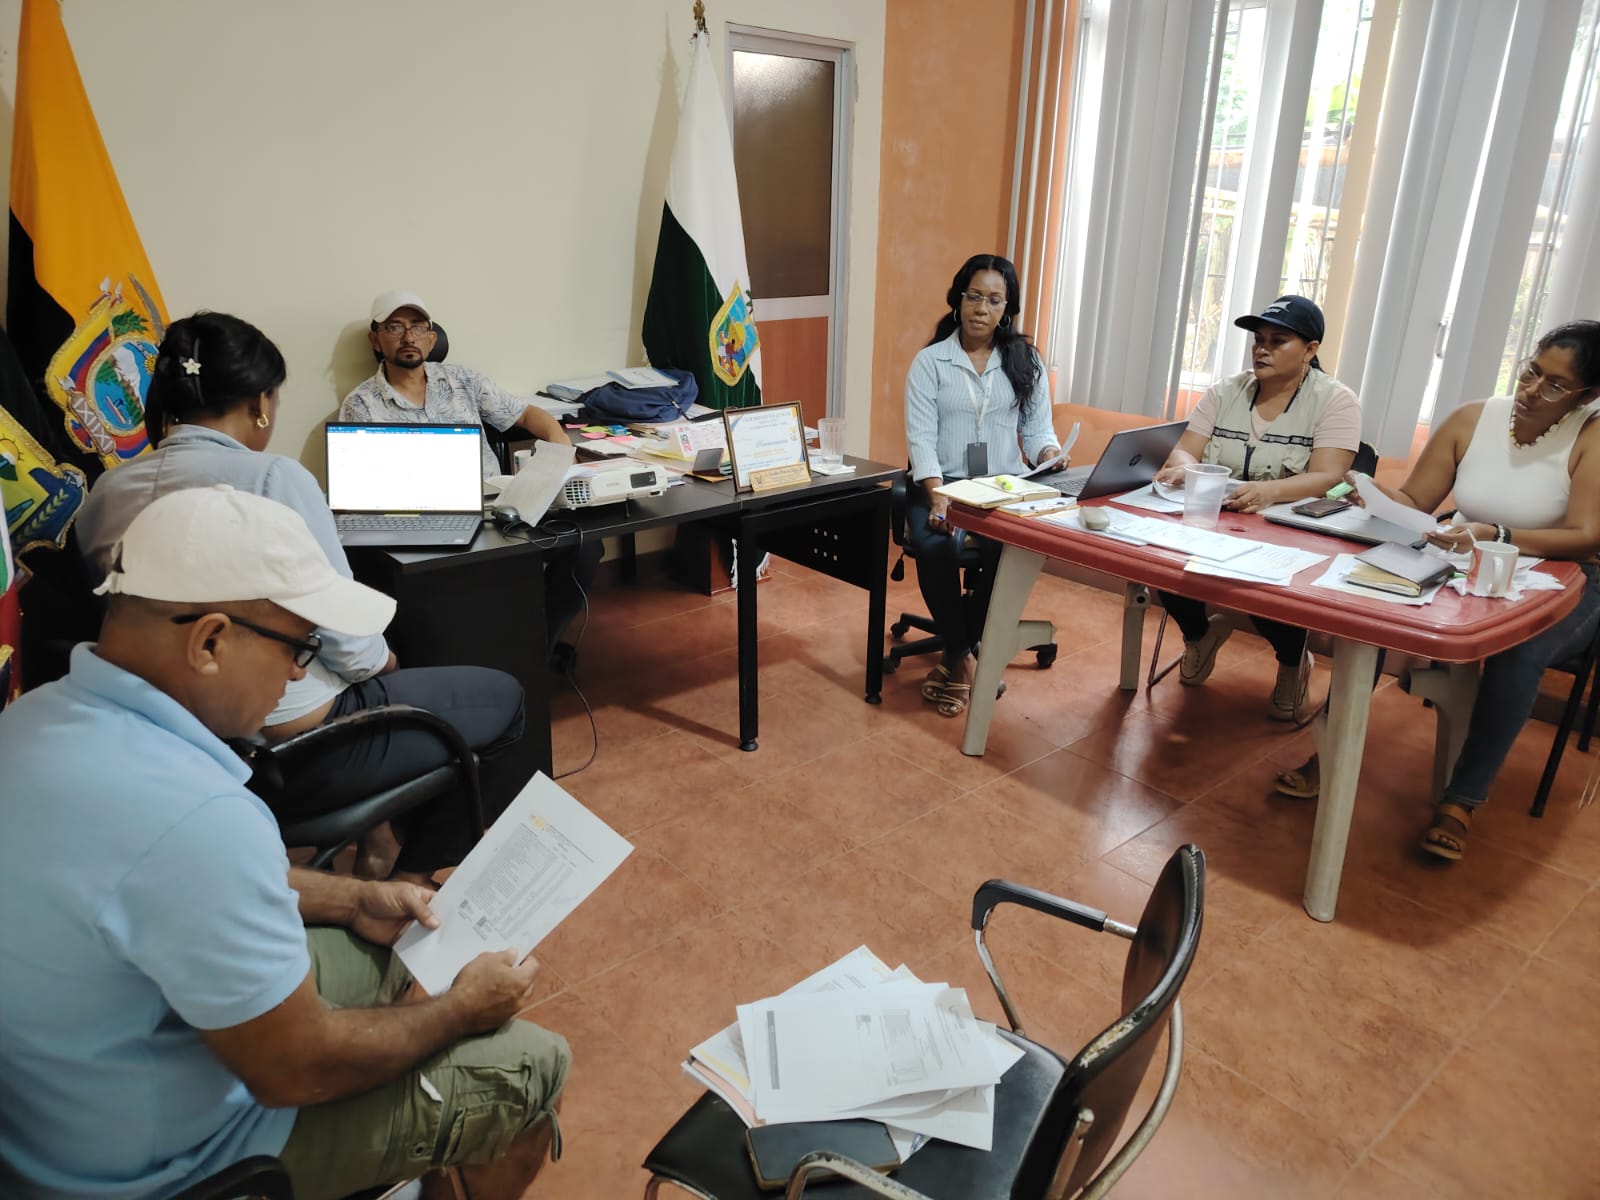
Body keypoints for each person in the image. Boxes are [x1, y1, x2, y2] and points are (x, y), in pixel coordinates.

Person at [0, 486, 569, 1200]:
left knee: (393, 955)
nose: (300, 672)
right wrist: (462, 1011)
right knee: (533, 1065)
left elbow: (163, 887)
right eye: (298, 646)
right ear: (210, 642)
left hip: (52, 1123)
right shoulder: (200, 818)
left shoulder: (32, 722)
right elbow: (297, 1070)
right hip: (166, 1167)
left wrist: (352, 899)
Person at [76, 312, 525, 882]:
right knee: (499, 697)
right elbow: (351, 645)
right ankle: (411, 880)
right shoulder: (274, 479)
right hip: (294, 746)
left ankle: (379, 839)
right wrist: (385, 661)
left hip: (172, 743)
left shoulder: (106, 492)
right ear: (261, 403)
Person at [1278, 320, 1600, 861]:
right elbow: (1416, 502)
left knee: (1521, 651)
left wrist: (1497, 534)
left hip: (1567, 577)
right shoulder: (1473, 418)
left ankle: (1461, 799)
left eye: (1554, 386)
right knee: (1373, 604)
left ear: (1586, 396)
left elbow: (1587, 535)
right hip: (1466, 556)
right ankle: (1330, 756)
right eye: (1531, 372)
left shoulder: (1591, 437)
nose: (1531, 390)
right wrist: (1375, 496)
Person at [340, 291, 601, 668]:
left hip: (499, 513)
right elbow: (367, 491)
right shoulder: (361, 404)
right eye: (395, 327)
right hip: (425, 524)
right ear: (376, 339)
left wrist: (561, 446)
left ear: (432, 338)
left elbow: (528, 415)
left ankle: (539, 649)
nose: (409, 337)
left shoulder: (463, 380)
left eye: (418, 327)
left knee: (584, 548)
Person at [1152, 295, 1361, 719]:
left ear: (1310, 350)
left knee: (1262, 588)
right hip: (1217, 519)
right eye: (1258, 340)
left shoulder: (1335, 400)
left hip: (1288, 532)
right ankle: (1199, 636)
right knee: (1159, 562)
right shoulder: (1226, 391)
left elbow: (1329, 476)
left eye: (1277, 341)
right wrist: (1187, 469)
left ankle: (1293, 661)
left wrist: (1268, 493)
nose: (1262, 350)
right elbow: (1185, 450)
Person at [905, 254, 1067, 717]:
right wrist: (937, 493)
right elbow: (921, 438)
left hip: (1003, 486)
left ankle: (957, 654)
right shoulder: (931, 362)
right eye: (974, 296)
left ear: (1007, 308)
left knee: (1011, 548)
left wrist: (1049, 455)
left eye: (994, 300)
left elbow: (1038, 431)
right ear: (958, 299)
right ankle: (966, 656)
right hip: (942, 482)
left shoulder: (1025, 361)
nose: (982, 308)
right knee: (935, 545)